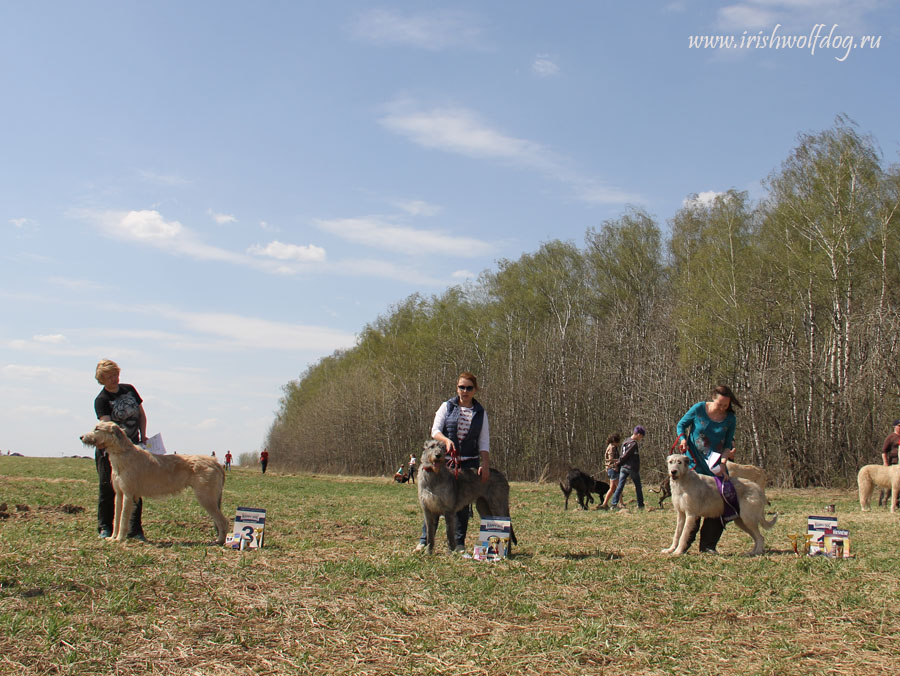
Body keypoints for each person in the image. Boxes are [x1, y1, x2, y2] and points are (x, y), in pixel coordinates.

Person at [415, 371, 490, 553]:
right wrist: (447, 441)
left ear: (475, 390)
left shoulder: (480, 412)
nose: (464, 391)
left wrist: (485, 462)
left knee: (461, 505)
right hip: (444, 465)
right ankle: (425, 540)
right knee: (432, 503)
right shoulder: (447, 407)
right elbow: (435, 431)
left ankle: (458, 544)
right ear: (457, 388)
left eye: (469, 388)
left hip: (467, 465)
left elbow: (484, 441)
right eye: (461, 387)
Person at [675, 384, 741, 553]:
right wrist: (682, 439)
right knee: (692, 506)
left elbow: (727, 445)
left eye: (726, 405)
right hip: (693, 465)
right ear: (713, 398)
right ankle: (683, 545)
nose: (722, 408)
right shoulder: (699, 409)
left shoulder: (730, 418)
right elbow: (681, 425)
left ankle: (708, 545)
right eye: (720, 404)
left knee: (719, 504)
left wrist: (724, 461)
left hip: (715, 467)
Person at [93, 359, 146, 541]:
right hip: (111, 453)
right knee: (109, 488)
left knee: (135, 489)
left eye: (116, 375)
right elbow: (108, 428)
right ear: (102, 379)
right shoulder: (101, 400)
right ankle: (106, 528)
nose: (114, 379)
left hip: (134, 451)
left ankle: (135, 530)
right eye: (109, 377)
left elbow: (141, 414)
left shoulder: (129, 390)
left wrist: (143, 436)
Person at [610, 426, 645, 510]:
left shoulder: (626, 441)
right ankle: (640, 505)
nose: (641, 438)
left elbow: (622, 453)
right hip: (631, 467)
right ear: (638, 434)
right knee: (638, 486)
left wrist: (619, 462)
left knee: (620, 486)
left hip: (623, 467)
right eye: (641, 436)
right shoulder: (633, 443)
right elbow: (626, 455)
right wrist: (618, 462)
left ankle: (613, 504)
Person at [879, 419, 900, 507]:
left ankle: (897, 503)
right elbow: (884, 451)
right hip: (893, 464)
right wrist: (885, 463)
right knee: (888, 487)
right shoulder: (891, 437)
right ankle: (884, 502)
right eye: (899, 426)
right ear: (895, 426)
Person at [599, 433, 621, 509]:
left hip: (611, 469)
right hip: (613, 469)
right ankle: (621, 503)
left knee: (612, 488)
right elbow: (611, 459)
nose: (619, 443)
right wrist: (620, 460)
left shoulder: (612, 446)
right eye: (618, 441)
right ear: (615, 441)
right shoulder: (612, 448)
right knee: (619, 487)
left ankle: (604, 504)